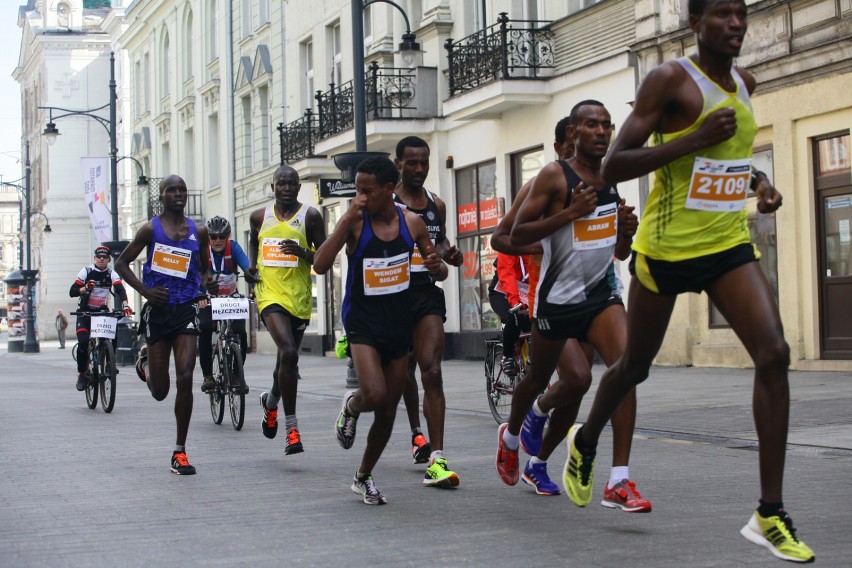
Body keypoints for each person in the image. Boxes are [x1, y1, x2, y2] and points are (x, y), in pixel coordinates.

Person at [560, 1, 815, 563]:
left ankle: (769, 512)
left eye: (742, 13)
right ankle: (584, 439)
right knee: (634, 367)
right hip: (666, 251)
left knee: (774, 355)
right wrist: (690, 140)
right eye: (722, 14)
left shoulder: (745, 83)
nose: (737, 23)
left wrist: (762, 184)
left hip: (727, 245)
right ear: (695, 24)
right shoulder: (669, 79)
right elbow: (615, 165)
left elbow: (731, 160)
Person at [491, 116, 649, 509]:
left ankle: (618, 479)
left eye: (606, 127)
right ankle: (513, 435)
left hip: (601, 296)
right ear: (568, 141)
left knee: (626, 369)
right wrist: (565, 220)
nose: (600, 135)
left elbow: (618, 253)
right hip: (557, 300)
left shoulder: (609, 179)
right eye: (588, 129)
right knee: (563, 380)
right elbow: (503, 238)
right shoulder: (547, 178)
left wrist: (625, 231)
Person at [315, 155, 444, 504]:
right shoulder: (356, 223)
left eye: (366, 191)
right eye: (357, 190)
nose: (359, 197)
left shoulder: (413, 223)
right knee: (373, 394)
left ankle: (363, 476)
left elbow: (439, 270)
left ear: (389, 189)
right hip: (362, 322)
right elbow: (320, 265)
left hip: (398, 323)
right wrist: (344, 222)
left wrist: (437, 265)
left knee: (388, 408)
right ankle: (352, 407)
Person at [115, 175, 210, 476]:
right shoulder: (149, 229)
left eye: (182, 189)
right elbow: (121, 264)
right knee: (160, 391)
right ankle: (145, 363)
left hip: (185, 312)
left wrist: (201, 289)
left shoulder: (199, 231)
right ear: (163, 196)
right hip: (157, 312)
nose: (179, 194)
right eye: (172, 190)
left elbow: (205, 269)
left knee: (185, 376)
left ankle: (180, 452)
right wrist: (145, 292)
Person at [393, 136, 465, 487]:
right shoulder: (385, 204)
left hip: (425, 293)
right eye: (412, 163)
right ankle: (415, 432)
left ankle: (436, 458)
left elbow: (441, 242)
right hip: (390, 297)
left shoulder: (436, 204)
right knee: (401, 373)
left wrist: (449, 254)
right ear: (398, 165)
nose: (419, 169)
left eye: (424, 162)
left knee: (431, 371)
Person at [248, 165, 326, 455]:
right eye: (281, 183)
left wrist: (304, 253)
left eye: (292, 183)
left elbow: (324, 255)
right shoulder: (259, 216)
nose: (287, 188)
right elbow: (254, 245)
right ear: (273, 187)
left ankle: (270, 403)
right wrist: (252, 268)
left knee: (285, 359)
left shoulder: (311, 216)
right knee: (290, 352)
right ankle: (292, 429)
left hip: (299, 298)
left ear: (298, 186)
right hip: (269, 295)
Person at [199, 216, 252, 395]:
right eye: (213, 237)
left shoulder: (233, 248)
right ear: (208, 238)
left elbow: (247, 267)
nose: (218, 241)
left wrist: (254, 282)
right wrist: (199, 294)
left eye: (222, 236)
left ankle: (237, 374)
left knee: (241, 333)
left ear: (228, 235)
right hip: (208, 298)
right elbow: (195, 275)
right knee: (205, 328)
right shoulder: (202, 251)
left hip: (230, 297)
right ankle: (208, 376)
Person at [69, 245, 133, 391]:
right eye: (99, 256)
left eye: (104, 257)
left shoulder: (111, 273)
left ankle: (110, 362)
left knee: (113, 334)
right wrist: (85, 288)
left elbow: (120, 289)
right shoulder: (86, 271)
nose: (101, 259)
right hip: (85, 312)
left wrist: (125, 305)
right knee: (83, 342)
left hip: (101, 312)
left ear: (109, 259)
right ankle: (82, 373)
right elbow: (72, 291)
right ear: (94, 258)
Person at [487, 252, 532, 377]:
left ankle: (531, 360)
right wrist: (515, 302)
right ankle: (507, 356)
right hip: (502, 291)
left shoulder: (540, 247)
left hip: (526, 291)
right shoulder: (509, 245)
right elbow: (507, 275)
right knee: (515, 316)